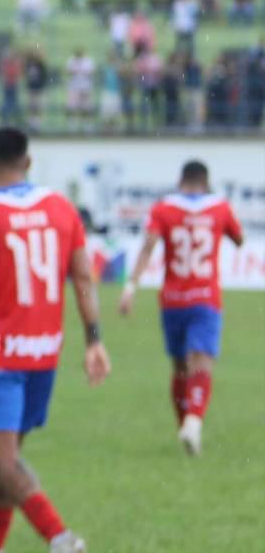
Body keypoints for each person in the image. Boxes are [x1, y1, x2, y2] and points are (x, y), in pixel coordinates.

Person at [0, 127, 111, 553]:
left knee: (0, 462)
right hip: (44, 357)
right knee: (6, 463)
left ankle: (62, 540)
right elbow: (83, 276)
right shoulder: (62, 209)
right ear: (28, 162)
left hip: (1, 359)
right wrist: (94, 340)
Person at [120, 161, 244, 455]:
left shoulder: (163, 208)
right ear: (206, 181)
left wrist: (130, 287)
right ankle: (193, 423)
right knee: (201, 365)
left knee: (179, 368)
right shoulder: (220, 207)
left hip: (173, 299)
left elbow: (148, 246)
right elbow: (239, 240)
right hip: (205, 298)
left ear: (181, 180)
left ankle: (186, 428)